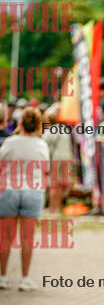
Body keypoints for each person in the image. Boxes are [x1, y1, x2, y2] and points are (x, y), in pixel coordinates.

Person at [0, 107, 49, 291]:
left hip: (9, 189)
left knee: (5, 238)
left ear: (20, 123)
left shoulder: (9, 142)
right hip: (33, 191)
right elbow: (46, 169)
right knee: (27, 239)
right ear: (37, 124)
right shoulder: (41, 145)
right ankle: (25, 278)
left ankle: (3, 277)